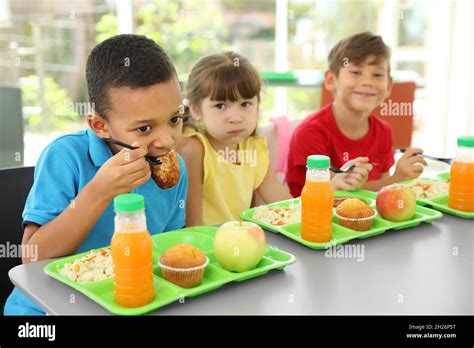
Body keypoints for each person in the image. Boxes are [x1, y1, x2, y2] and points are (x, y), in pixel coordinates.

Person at [4, 34, 188, 315]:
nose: (166, 141)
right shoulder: (64, 158)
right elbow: (32, 256)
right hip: (45, 309)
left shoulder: (176, 170)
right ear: (100, 125)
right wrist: (100, 191)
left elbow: (167, 250)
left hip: (129, 303)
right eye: (144, 129)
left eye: (175, 120)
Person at [178, 51, 371, 226]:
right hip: (208, 254)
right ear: (195, 109)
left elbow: (288, 208)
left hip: (244, 249)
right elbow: (194, 229)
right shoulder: (193, 150)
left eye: (245, 104)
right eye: (220, 106)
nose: (235, 117)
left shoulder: (253, 148)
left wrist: (331, 186)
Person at [286, 32, 426, 197]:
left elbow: (381, 195)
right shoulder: (310, 133)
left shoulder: (383, 131)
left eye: (377, 75)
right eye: (355, 72)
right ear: (331, 80)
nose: (367, 82)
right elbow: (339, 193)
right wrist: (397, 179)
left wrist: (397, 179)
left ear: (388, 85)